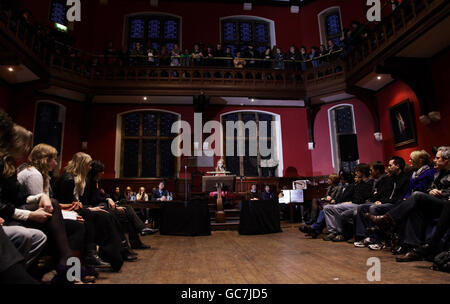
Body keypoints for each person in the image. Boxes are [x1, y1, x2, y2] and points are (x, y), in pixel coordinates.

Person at [16, 143, 105, 271]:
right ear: (45, 159)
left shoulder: (42, 175)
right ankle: (71, 269)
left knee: (80, 222)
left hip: (39, 214)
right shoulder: (34, 175)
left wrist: (69, 209)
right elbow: (42, 207)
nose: (56, 163)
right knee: (78, 226)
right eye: (54, 159)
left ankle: (74, 267)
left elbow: (49, 203)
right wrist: (71, 214)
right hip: (28, 218)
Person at [368, 146, 450, 262]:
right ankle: (413, 247)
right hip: (433, 203)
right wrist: (430, 191)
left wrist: (442, 192)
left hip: (445, 204)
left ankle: (388, 219)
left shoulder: (432, 172)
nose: (434, 160)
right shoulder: (437, 174)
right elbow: (429, 189)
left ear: (446, 160)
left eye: (437, 158)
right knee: (414, 209)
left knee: (417, 195)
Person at [85, 160, 152, 250]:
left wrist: (107, 198)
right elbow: (93, 200)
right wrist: (107, 199)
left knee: (127, 209)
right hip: (99, 208)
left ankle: (140, 234)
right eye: (101, 171)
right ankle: (136, 238)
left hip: (104, 205)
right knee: (127, 212)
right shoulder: (89, 183)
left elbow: (102, 196)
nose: (103, 173)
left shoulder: (95, 182)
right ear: (96, 172)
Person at [323, 164, 373, 242]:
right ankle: (333, 231)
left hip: (360, 204)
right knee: (327, 208)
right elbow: (353, 196)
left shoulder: (369, 183)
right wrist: (348, 202)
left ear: (362, 172)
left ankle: (341, 233)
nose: (356, 173)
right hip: (353, 203)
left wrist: (349, 202)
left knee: (337, 207)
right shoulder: (359, 183)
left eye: (357, 171)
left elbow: (362, 199)